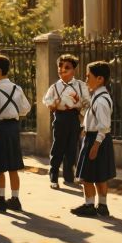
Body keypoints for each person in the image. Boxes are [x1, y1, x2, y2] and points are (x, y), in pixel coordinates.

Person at [0, 54, 31, 213]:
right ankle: (15, 199)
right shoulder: (17, 88)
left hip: (0, 129)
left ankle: (1, 200)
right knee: (13, 166)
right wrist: (14, 113)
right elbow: (26, 108)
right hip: (13, 128)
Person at [70, 60, 115, 218]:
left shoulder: (101, 100)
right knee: (100, 175)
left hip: (96, 139)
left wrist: (95, 145)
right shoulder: (98, 96)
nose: (86, 79)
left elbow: (104, 126)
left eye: (89, 76)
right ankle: (102, 205)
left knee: (87, 176)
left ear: (100, 79)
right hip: (96, 138)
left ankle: (89, 205)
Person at [43, 54, 87, 188]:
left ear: (74, 70)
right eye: (60, 67)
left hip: (74, 117)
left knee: (72, 148)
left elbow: (87, 101)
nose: (62, 70)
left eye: (66, 67)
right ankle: (53, 177)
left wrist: (82, 113)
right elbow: (46, 100)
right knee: (58, 148)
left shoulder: (80, 85)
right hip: (60, 117)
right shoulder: (54, 87)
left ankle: (69, 177)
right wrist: (52, 104)